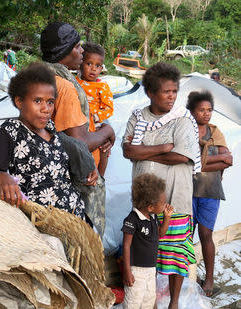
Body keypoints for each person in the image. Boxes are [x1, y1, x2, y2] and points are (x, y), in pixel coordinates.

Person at [122, 62, 201, 309]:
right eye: (166, 91)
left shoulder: (183, 119)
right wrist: (160, 149)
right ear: (150, 93)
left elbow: (182, 156)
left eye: (174, 91)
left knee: (175, 252)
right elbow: (127, 149)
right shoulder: (138, 116)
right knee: (147, 252)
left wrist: (143, 153)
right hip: (145, 205)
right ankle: (150, 300)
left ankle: (174, 303)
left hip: (175, 199)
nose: (171, 96)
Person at [0, 63, 96, 219]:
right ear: (19, 102)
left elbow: (73, 152)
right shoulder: (11, 132)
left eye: (50, 102)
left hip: (73, 219)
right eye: (38, 101)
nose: (45, 109)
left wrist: (90, 168)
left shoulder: (52, 129)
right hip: (40, 224)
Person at [40, 21, 115, 234]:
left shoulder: (39, 76)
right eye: (77, 46)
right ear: (63, 51)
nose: (82, 51)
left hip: (45, 176)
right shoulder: (65, 87)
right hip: (72, 179)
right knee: (84, 243)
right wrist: (107, 132)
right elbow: (80, 142)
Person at [186, 91, 232, 297]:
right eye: (201, 110)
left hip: (210, 192)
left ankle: (209, 279)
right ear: (192, 111)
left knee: (206, 235)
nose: (206, 114)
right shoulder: (186, 131)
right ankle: (185, 278)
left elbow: (228, 159)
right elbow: (186, 161)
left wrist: (200, 162)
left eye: (209, 110)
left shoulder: (215, 132)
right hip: (187, 191)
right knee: (184, 236)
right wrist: (212, 160)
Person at [122, 173, 174, 309]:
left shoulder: (152, 218)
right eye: (163, 204)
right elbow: (126, 246)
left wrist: (167, 217)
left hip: (151, 270)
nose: (165, 206)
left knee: (148, 302)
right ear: (150, 207)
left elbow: (160, 234)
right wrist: (127, 271)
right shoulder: (132, 220)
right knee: (133, 302)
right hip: (136, 271)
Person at [76, 42, 114, 176]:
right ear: (80, 63)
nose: (93, 69)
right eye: (89, 64)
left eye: (97, 66)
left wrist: (95, 116)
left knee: (103, 149)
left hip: (96, 124)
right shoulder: (74, 82)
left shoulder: (102, 86)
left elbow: (109, 109)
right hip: (79, 124)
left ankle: (101, 178)